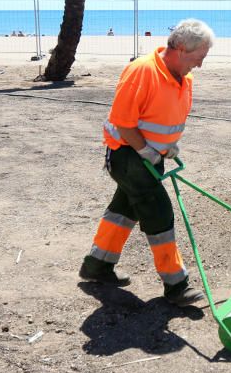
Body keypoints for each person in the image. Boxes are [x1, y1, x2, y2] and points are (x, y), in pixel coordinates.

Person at [79, 18, 215, 306]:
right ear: (179, 49)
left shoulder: (184, 76)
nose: (200, 65)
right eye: (198, 58)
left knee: (124, 210)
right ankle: (176, 284)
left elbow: (164, 116)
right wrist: (147, 151)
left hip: (153, 156)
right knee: (158, 209)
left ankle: (96, 266)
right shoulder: (142, 70)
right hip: (128, 154)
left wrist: (168, 146)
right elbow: (123, 122)